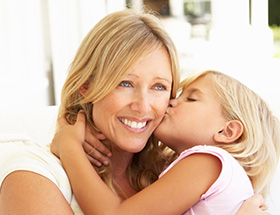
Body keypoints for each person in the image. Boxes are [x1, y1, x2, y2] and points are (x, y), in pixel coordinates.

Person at [0, 9, 269, 214]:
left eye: (160, 87)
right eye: (125, 83)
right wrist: (69, 145)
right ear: (86, 85)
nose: (143, 106)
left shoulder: (171, 170)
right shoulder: (33, 173)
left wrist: (69, 145)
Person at [51, 70, 280, 214]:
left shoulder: (207, 162)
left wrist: (70, 147)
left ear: (227, 131)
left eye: (190, 98)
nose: (171, 101)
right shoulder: (218, 173)